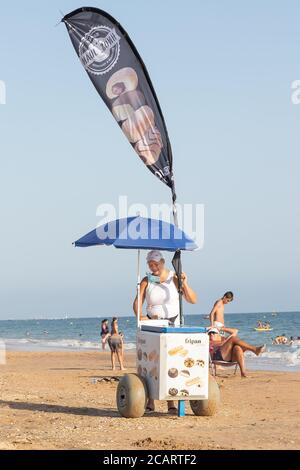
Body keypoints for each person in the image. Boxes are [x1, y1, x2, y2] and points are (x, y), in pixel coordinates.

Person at [133, 250, 197, 414]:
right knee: (150, 363)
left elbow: (192, 300)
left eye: (155, 264)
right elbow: (137, 303)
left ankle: (171, 403)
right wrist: (140, 316)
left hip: (172, 325)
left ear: (162, 262)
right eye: (150, 265)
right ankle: (151, 401)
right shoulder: (147, 280)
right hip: (152, 325)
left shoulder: (174, 278)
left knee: (172, 363)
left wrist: (185, 283)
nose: (153, 267)